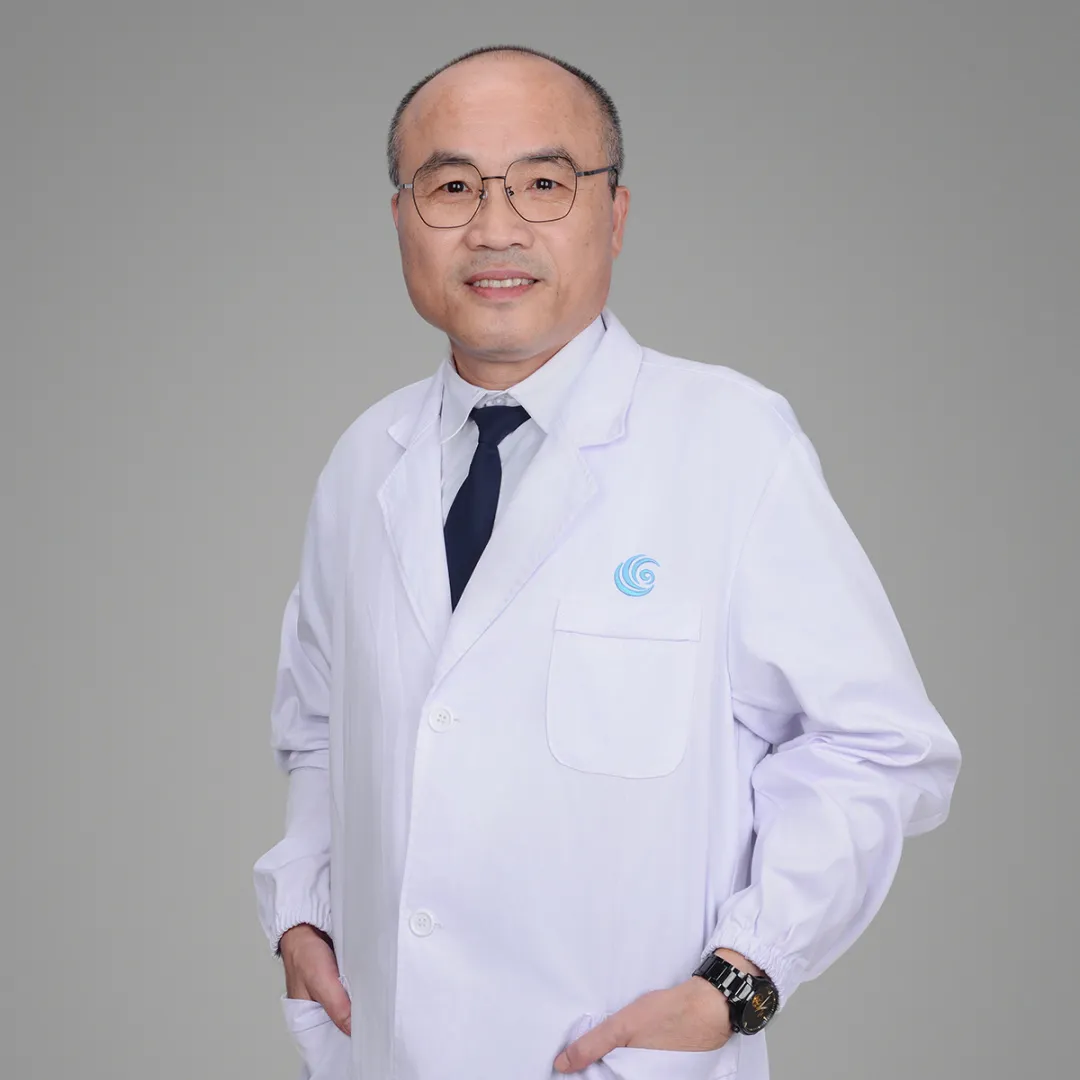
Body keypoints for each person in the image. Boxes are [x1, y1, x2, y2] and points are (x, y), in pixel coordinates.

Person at [253, 44, 961, 1080]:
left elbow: (878, 744)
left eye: (543, 184)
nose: (495, 228)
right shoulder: (366, 461)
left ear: (614, 215)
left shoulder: (730, 442)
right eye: (451, 187)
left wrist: (742, 977)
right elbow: (318, 728)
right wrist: (301, 911)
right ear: (402, 217)